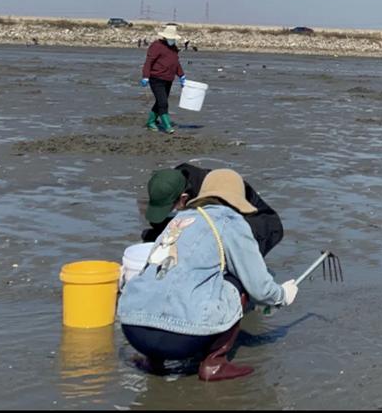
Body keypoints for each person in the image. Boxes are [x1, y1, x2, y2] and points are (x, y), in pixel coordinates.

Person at [118, 169, 297, 382]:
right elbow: (258, 284)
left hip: (133, 328)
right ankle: (214, 363)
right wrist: (282, 295)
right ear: (236, 199)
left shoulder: (178, 220)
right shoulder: (232, 222)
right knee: (237, 281)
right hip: (179, 339)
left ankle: (153, 361)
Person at [142, 164, 284, 258]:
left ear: (184, 198)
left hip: (259, 225)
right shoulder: (170, 183)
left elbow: (223, 236)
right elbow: (159, 223)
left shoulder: (213, 197)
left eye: (168, 208)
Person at [140, 25, 185, 133]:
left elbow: (176, 63)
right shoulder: (156, 46)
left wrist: (182, 75)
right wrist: (145, 76)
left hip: (168, 79)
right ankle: (167, 126)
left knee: (160, 101)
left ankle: (151, 122)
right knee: (163, 103)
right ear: (165, 37)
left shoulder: (173, 48)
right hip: (156, 79)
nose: (172, 40)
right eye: (171, 38)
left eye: (173, 38)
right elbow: (149, 61)